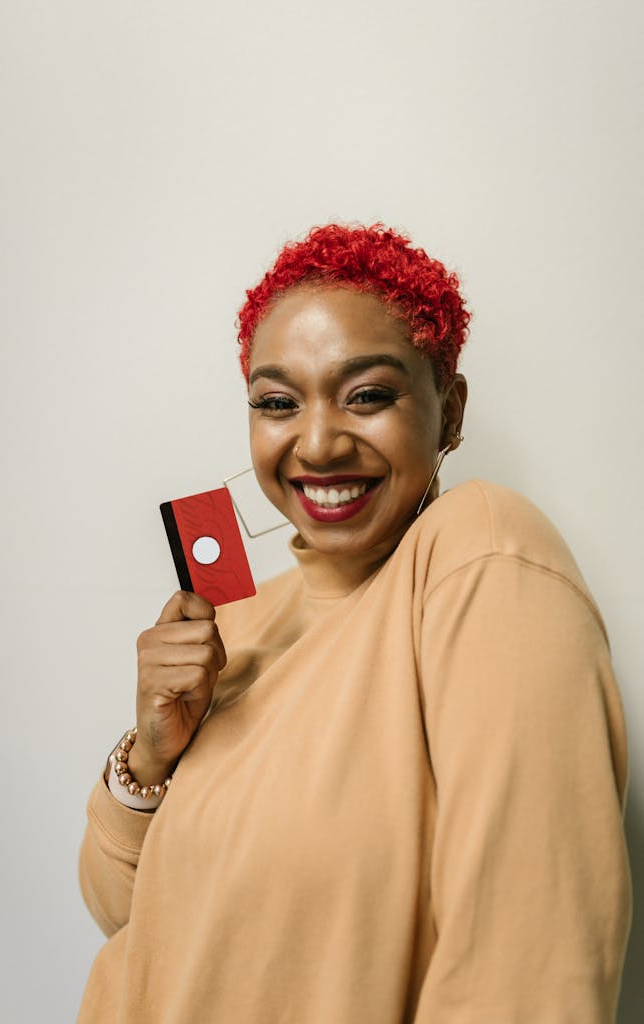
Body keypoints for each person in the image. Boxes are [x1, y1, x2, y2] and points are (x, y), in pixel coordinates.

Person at [78, 223, 631, 1022]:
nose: (317, 441)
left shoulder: (478, 553)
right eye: (277, 402)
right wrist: (151, 755)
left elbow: (531, 962)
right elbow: (127, 915)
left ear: (450, 412)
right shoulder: (238, 621)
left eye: (366, 394)